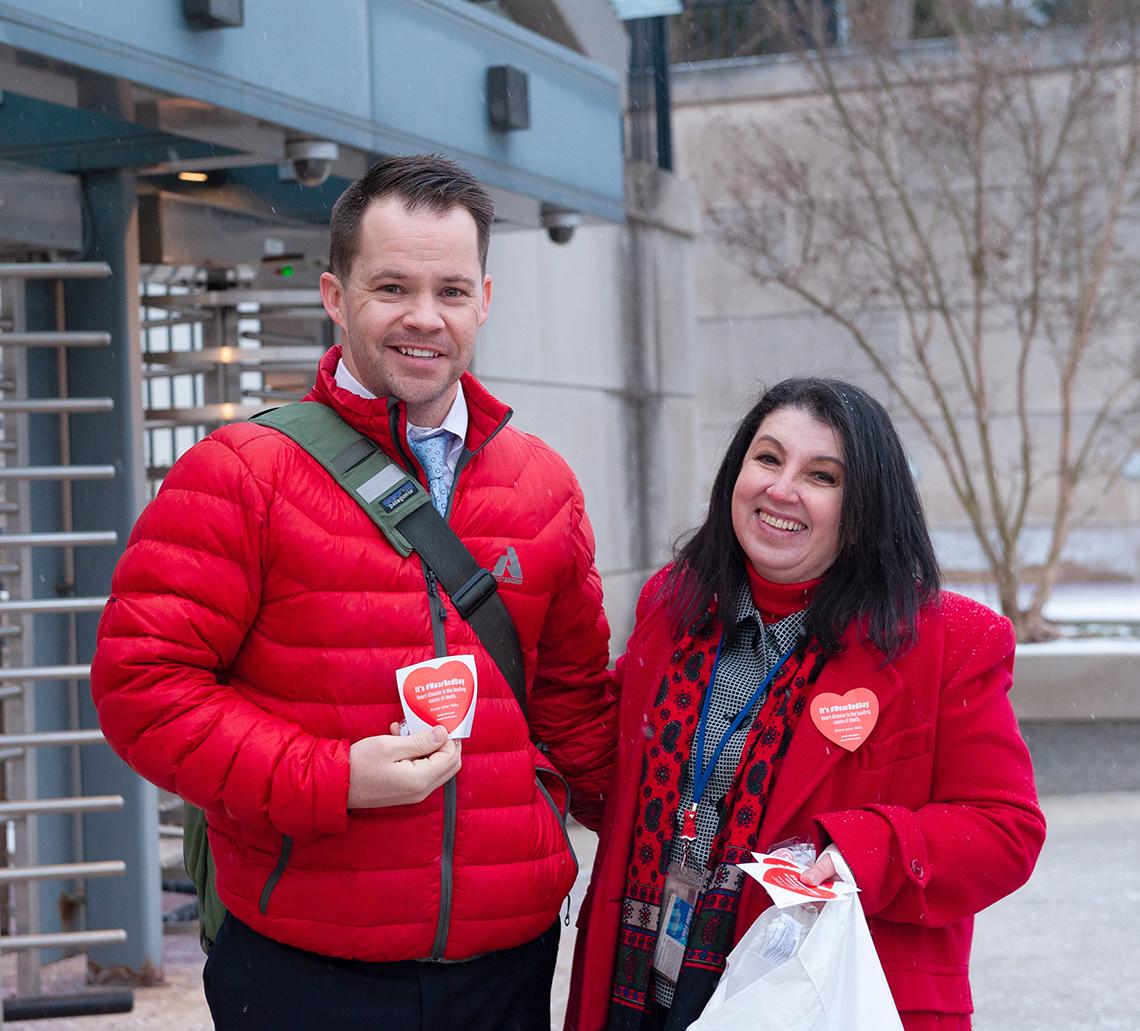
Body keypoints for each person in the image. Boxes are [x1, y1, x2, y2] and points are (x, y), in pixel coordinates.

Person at [91, 154, 614, 1030]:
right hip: (304, 971)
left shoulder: (544, 486)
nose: (424, 318)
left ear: (484, 300)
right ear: (335, 297)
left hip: (508, 967)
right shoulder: (241, 474)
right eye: (392, 287)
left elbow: (578, 715)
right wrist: (331, 778)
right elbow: (141, 690)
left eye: (451, 290)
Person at [565, 378, 1046, 1031]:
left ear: (866, 509)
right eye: (767, 458)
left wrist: (864, 849)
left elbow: (1006, 829)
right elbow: (615, 760)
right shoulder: (674, 605)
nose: (781, 488)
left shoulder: (946, 642)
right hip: (643, 984)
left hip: (815, 997)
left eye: (821, 475)